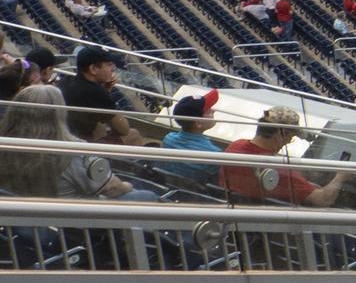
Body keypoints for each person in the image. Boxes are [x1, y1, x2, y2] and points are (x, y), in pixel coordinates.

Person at [0, 84, 160, 201]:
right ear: (59, 114)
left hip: (26, 226)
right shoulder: (72, 151)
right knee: (147, 196)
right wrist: (128, 185)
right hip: (75, 226)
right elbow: (112, 188)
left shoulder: (6, 145)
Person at [222, 106, 351, 206]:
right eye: (291, 136)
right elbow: (322, 200)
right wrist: (340, 177)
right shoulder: (277, 170)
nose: (289, 141)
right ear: (282, 132)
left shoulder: (235, 146)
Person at [57, 45, 140, 144]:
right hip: (81, 145)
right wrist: (105, 94)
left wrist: (104, 90)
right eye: (109, 64)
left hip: (63, 137)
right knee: (133, 134)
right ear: (93, 69)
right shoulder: (94, 91)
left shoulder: (65, 81)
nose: (113, 68)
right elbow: (123, 129)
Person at [160, 90, 225, 183]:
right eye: (208, 110)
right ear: (198, 123)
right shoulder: (214, 154)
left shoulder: (168, 139)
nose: (213, 110)